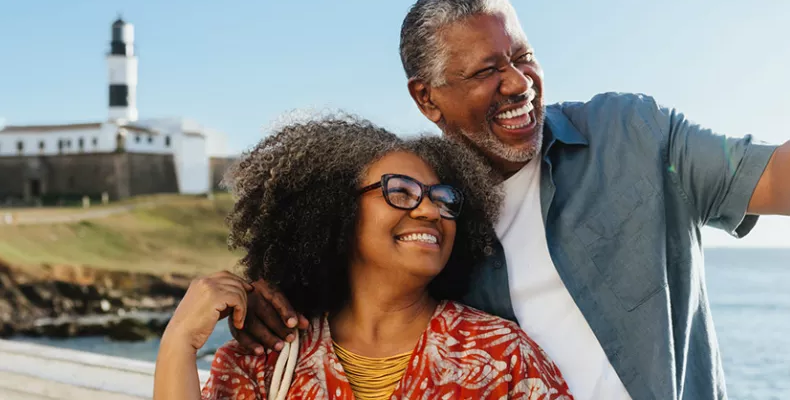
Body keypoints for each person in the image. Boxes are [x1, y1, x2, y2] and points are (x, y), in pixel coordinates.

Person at [234, 0, 790, 400]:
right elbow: (353, 296)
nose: (518, 82)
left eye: (524, 55)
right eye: (485, 70)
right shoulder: (429, 216)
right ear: (426, 98)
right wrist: (268, 295)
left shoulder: (631, 133)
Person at [153, 116, 574, 399]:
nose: (430, 211)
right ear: (336, 211)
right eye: (401, 192)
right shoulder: (263, 363)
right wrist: (179, 343)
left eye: (444, 199)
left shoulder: (502, 357)